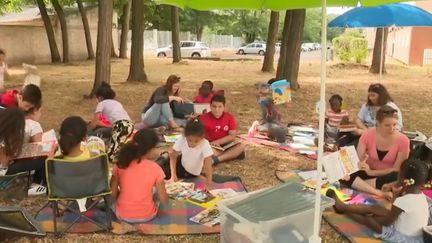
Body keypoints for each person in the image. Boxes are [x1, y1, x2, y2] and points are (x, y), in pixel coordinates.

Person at [328, 159, 429, 243]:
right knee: (375, 208)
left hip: (402, 237)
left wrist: (372, 217)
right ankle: (342, 207)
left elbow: (387, 222)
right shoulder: (420, 196)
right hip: (413, 233)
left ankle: (343, 208)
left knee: (368, 219)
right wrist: (395, 195)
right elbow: (395, 211)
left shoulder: (404, 200)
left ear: (402, 179)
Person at [341, 106, 410, 199]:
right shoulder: (368, 134)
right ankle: (379, 193)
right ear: (378, 123)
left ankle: (359, 186)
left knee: (397, 176)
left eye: (394, 124)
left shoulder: (403, 140)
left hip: (386, 176)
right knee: (344, 173)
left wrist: (372, 173)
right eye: (387, 125)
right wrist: (360, 164)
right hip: (367, 173)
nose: (392, 128)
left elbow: (396, 169)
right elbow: (358, 160)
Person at [110, 128, 168, 223]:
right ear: (150, 149)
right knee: (154, 191)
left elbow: (112, 194)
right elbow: (163, 199)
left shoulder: (120, 165)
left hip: (122, 215)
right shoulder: (156, 168)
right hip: (147, 216)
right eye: (156, 148)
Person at [0, 108, 46, 195]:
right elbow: (4, 164)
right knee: (43, 158)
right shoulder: (5, 140)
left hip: (6, 168)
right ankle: (36, 184)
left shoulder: (4, 134)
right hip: (4, 174)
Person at [160, 120, 213, 190]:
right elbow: (173, 156)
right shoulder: (182, 139)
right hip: (181, 161)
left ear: (202, 138)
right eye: (189, 140)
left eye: (196, 141)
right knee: (159, 166)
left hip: (187, 171)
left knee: (160, 172)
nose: (192, 144)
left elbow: (208, 165)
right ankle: (163, 159)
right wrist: (173, 176)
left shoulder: (205, 143)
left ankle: (163, 159)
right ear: (185, 136)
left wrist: (208, 183)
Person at [89, 82, 134, 162]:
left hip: (120, 125)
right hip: (129, 125)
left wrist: (89, 131)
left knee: (111, 156)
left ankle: (123, 159)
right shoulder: (117, 103)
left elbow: (94, 123)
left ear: (100, 97)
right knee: (119, 144)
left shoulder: (101, 104)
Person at [199, 95, 246, 164]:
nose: (217, 109)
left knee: (241, 145)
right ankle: (231, 154)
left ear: (224, 107)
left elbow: (232, 135)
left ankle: (216, 160)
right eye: (214, 106)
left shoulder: (229, 117)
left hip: (225, 143)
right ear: (210, 106)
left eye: (219, 107)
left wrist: (218, 142)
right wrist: (210, 143)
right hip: (211, 145)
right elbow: (198, 135)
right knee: (210, 152)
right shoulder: (203, 118)